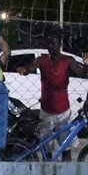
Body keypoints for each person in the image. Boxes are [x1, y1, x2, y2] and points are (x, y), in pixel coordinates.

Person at [17, 28, 88, 160]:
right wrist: (24, 69)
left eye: (53, 43)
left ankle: (66, 172)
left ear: (60, 44)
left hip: (63, 112)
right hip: (46, 111)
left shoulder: (68, 60)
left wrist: (86, 66)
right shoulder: (42, 60)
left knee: (66, 148)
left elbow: (80, 73)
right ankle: (47, 170)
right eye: (48, 43)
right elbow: (29, 68)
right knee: (46, 148)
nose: (50, 46)